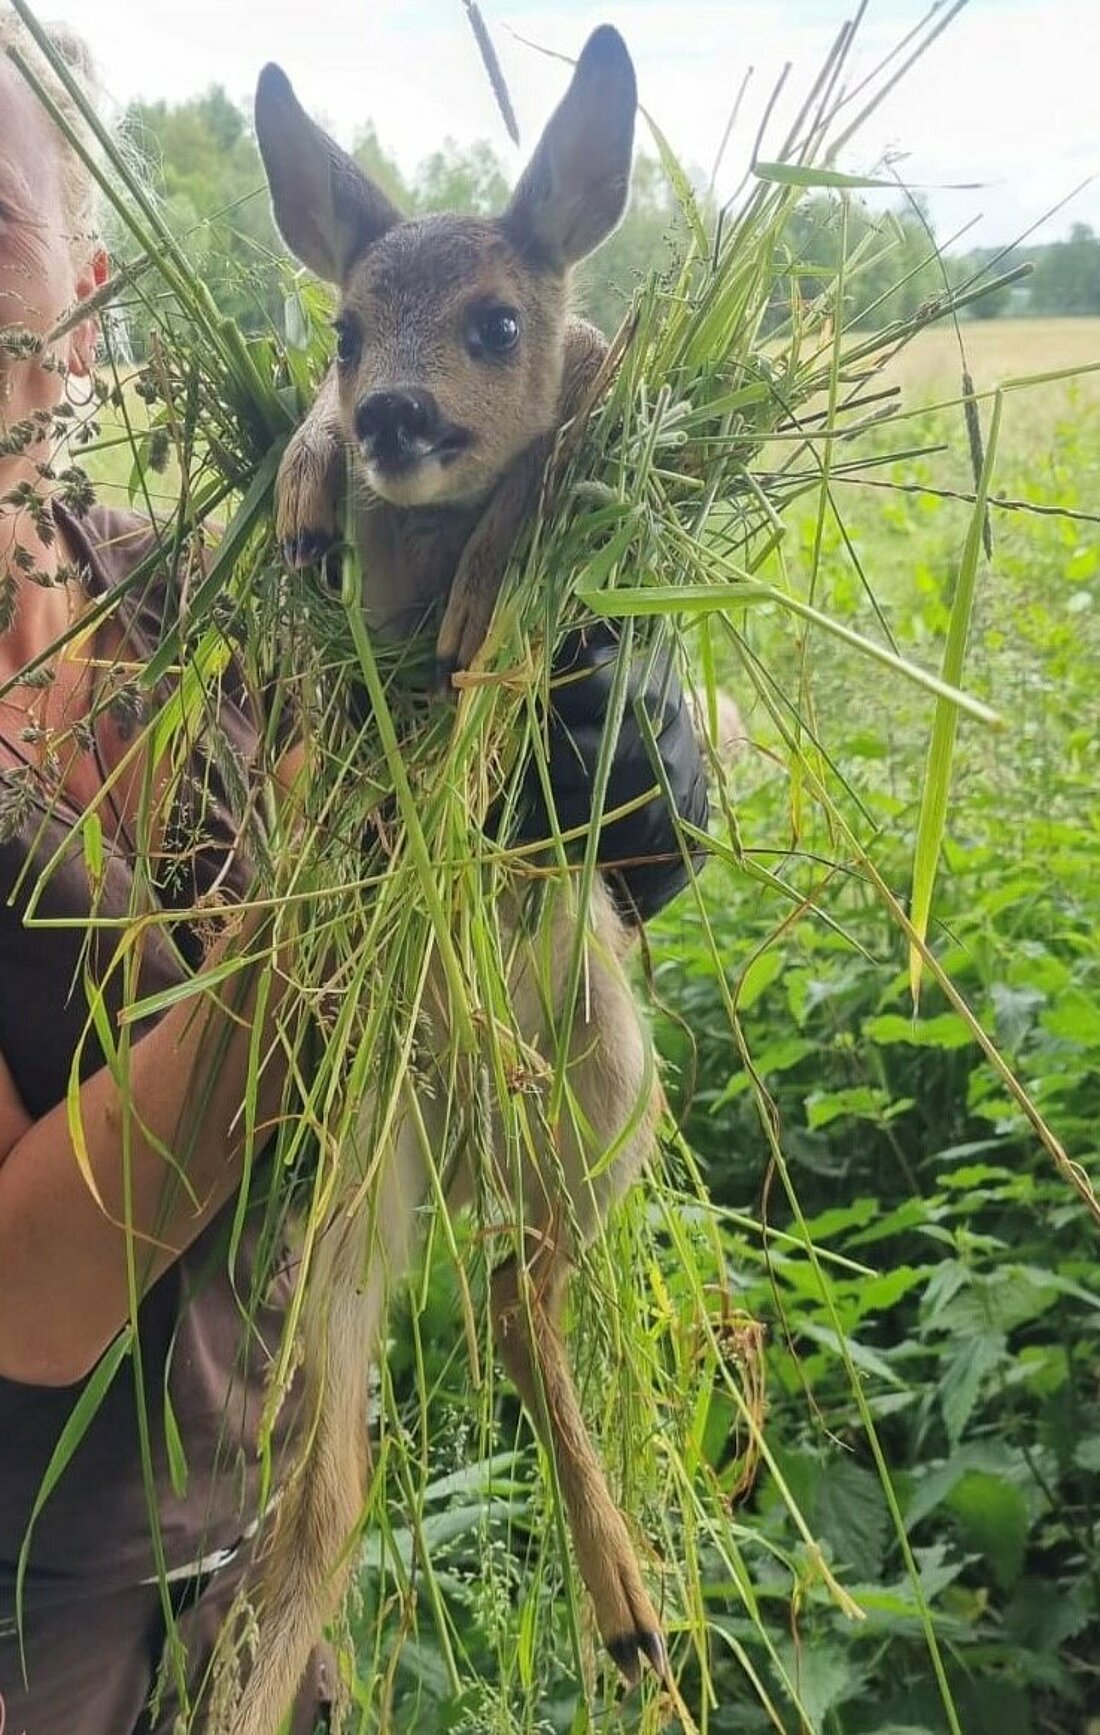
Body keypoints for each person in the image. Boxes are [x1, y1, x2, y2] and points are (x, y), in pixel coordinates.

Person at [0, 15, 709, 1735]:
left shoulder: (217, 578)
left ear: (86, 290)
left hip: (259, 1557)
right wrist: (373, 885)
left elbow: (536, 494)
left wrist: (630, 746)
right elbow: (23, 1298)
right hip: (34, 1629)